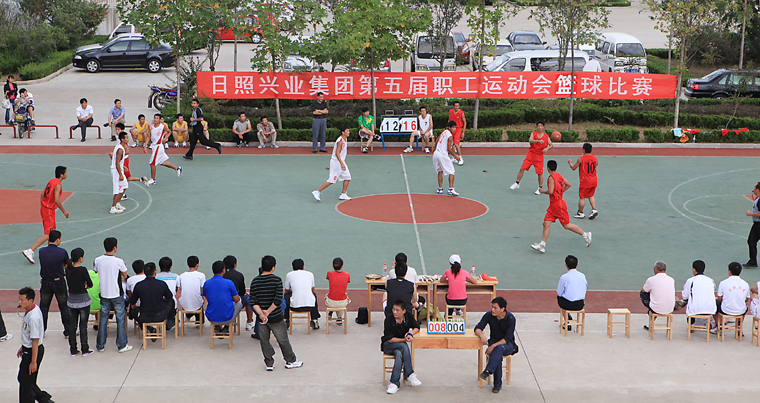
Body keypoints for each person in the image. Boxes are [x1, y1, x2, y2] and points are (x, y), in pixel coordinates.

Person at [250, 255, 303, 371]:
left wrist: (261, 314)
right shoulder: (277, 280)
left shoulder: (255, 281)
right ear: (273, 267)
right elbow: (278, 300)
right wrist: (268, 312)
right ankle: (290, 360)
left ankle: (269, 362)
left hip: (261, 318)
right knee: (282, 339)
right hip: (276, 316)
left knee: (264, 341)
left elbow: (253, 301)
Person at [531, 160, 592, 253]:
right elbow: (568, 184)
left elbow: (550, 191)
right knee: (546, 223)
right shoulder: (559, 176)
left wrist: (542, 191)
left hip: (558, 205)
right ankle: (542, 245)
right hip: (553, 205)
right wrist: (560, 192)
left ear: (548, 168)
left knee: (566, 225)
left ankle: (585, 234)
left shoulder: (551, 177)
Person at [23, 166, 70, 264]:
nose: (67, 174)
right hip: (49, 210)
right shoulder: (58, 185)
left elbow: (42, 194)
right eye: (65, 172)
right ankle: (30, 250)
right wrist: (64, 211)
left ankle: (50, 253)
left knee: (52, 232)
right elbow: (56, 200)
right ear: (62, 175)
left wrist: (43, 206)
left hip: (45, 208)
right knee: (48, 234)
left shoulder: (51, 181)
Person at [94, 237, 132, 353]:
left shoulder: (98, 260)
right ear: (115, 247)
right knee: (120, 319)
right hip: (116, 293)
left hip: (104, 293)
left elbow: (96, 270)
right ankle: (121, 345)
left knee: (103, 319)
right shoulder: (118, 261)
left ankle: (100, 345)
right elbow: (124, 274)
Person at [17, 287, 53, 403]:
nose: (19, 302)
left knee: (26, 383)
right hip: (28, 349)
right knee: (26, 379)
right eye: (19, 299)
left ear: (30, 300)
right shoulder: (33, 309)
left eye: (22, 300)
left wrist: (33, 361)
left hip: (33, 351)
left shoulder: (33, 318)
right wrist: (23, 346)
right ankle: (44, 399)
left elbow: (35, 341)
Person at [475, 297, 517, 394]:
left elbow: (507, 338)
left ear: (502, 309)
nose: (492, 309)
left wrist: (492, 346)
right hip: (494, 342)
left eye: (495, 308)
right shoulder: (489, 315)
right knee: (497, 354)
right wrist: (482, 336)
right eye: (492, 307)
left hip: (508, 344)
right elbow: (477, 328)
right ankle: (496, 384)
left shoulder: (511, 318)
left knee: (498, 349)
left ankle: (488, 371)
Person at [381, 300, 422, 394]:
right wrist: (404, 340)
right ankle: (409, 374)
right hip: (388, 345)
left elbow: (417, 327)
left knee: (399, 354)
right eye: (393, 309)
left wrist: (410, 334)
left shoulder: (408, 316)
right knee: (403, 346)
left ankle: (394, 383)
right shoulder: (389, 319)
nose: (394, 312)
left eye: (397, 310)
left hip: (399, 347)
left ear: (404, 311)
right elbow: (390, 339)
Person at [36, 229, 71, 337]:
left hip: (45, 283)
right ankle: (68, 331)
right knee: (64, 307)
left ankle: (41, 331)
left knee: (44, 308)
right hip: (59, 282)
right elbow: (66, 264)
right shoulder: (62, 252)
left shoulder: (41, 251)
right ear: (58, 239)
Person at [129, 262, 175, 336]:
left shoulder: (139, 285)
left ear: (144, 271)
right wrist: (162, 299)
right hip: (160, 316)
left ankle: (149, 327)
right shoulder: (162, 284)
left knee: (133, 311)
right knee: (171, 301)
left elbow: (132, 302)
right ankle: (169, 322)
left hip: (144, 317)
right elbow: (169, 297)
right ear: (155, 272)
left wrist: (134, 306)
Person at [510, 121, 554, 194]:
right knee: (522, 169)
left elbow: (551, 145)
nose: (539, 127)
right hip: (530, 155)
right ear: (536, 127)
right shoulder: (533, 134)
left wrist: (547, 148)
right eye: (538, 126)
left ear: (543, 127)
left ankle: (540, 188)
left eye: (541, 126)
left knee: (540, 173)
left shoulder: (546, 137)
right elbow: (530, 140)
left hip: (539, 156)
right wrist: (538, 141)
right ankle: (517, 183)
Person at [65, 247, 93, 356]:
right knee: (83, 326)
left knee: (73, 325)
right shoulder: (83, 270)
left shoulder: (67, 270)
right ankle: (85, 349)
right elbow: (90, 284)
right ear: (81, 258)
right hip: (83, 301)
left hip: (72, 300)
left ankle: (73, 349)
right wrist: (85, 285)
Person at [312, 125, 352, 202]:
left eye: (348, 131)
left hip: (341, 161)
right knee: (331, 180)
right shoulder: (340, 141)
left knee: (347, 177)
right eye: (347, 131)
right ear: (343, 132)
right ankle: (317, 191)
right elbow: (337, 153)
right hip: (336, 163)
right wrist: (341, 163)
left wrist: (343, 161)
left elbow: (342, 153)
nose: (348, 132)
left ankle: (343, 194)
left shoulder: (345, 139)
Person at [203, 261, 242, 335]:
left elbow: (205, 297)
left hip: (212, 318)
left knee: (209, 303)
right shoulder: (229, 283)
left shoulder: (207, 283)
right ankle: (227, 327)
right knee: (239, 304)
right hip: (227, 318)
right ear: (223, 270)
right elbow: (237, 299)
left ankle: (217, 326)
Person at [222, 255, 257, 335]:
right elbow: (242, 292)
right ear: (235, 265)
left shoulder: (221, 276)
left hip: (222, 302)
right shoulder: (239, 275)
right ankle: (249, 323)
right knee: (248, 298)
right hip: (235, 301)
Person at [143, 114, 182, 186]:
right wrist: (145, 146)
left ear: (160, 119)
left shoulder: (162, 126)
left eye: (157, 118)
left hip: (158, 146)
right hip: (154, 146)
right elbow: (149, 136)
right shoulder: (151, 126)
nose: (155, 119)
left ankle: (153, 179)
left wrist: (165, 138)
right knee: (162, 162)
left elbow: (169, 131)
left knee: (152, 163)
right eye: (155, 118)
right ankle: (177, 168)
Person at [713, 262, 750, 334]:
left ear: (729, 271)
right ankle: (739, 326)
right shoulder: (745, 284)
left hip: (725, 310)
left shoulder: (723, 283)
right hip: (740, 311)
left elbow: (720, 299)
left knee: (714, 304)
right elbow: (747, 299)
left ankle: (719, 326)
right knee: (745, 307)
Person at [284, 258, 321, 330]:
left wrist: (294, 290)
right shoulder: (310, 274)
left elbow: (287, 291)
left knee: (285, 296)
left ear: (293, 268)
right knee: (313, 294)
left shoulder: (289, 275)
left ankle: (286, 320)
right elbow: (312, 290)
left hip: (295, 307)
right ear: (303, 267)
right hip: (310, 306)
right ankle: (314, 320)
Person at [641, 261, 677, 330]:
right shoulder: (671, 280)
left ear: (655, 269)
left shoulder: (651, 279)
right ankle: (650, 323)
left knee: (644, 294)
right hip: (670, 308)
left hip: (656, 308)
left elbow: (643, 291)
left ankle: (650, 315)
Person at [567, 143, 599, 219]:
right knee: (591, 195)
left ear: (583, 150)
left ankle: (581, 213)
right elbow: (596, 164)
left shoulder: (581, 159)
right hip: (594, 180)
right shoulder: (595, 158)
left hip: (585, 181)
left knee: (582, 197)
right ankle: (594, 210)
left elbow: (574, 168)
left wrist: (570, 163)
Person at [681, 260, 717, 324]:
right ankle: (717, 324)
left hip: (694, 310)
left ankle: (691, 323)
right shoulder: (711, 280)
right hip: (710, 310)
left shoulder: (690, 281)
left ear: (693, 269)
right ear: (704, 269)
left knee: (690, 301)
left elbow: (685, 297)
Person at [556, 255, 587, 328]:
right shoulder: (582, 276)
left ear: (566, 265)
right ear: (577, 265)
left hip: (567, 304)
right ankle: (568, 318)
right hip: (580, 304)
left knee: (560, 298)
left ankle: (567, 321)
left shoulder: (564, 277)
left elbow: (559, 292)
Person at [433, 121, 461, 196]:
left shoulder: (444, 132)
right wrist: (455, 156)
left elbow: (437, 140)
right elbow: (449, 149)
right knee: (451, 171)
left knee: (440, 171)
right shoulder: (450, 136)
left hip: (436, 153)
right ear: (449, 128)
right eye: (453, 127)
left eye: (455, 127)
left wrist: (435, 150)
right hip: (442, 155)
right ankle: (450, 189)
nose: (454, 129)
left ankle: (440, 188)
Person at [177, 255, 206, 326]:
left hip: (184, 303)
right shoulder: (201, 275)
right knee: (199, 300)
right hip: (197, 303)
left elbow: (180, 289)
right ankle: (199, 322)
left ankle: (188, 315)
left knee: (190, 300)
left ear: (187, 264)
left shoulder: (181, 276)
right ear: (197, 265)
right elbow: (202, 291)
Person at [325, 257, 351, 322]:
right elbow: (348, 281)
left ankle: (331, 311)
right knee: (343, 295)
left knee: (327, 296)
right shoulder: (347, 275)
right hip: (342, 303)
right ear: (342, 266)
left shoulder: (329, 273)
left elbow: (328, 278)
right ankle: (339, 317)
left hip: (331, 303)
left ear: (332, 266)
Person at [110, 132, 129, 214]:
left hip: (119, 169)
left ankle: (118, 203)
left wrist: (122, 166)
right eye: (126, 138)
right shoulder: (120, 150)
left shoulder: (120, 147)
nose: (128, 139)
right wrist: (120, 174)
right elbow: (117, 162)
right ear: (122, 139)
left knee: (125, 186)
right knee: (117, 189)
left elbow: (118, 161)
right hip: (116, 171)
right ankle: (113, 207)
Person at [744, 182, 760, 268]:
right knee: (751, 241)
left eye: (754, 187)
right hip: (756, 225)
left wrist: (750, 214)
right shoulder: (758, 199)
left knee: (752, 241)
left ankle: (753, 261)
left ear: (757, 190)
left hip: (758, 225)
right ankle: (752, 261)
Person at [448, 101, 466, 165]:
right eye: (455, 106)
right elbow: (449, 120)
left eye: (458, 106)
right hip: (452, 129)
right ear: (453, 106)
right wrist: (448, 127)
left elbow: (465, 122)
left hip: (458, 129)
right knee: (452, 144)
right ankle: (454, 157)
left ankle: (460, 158)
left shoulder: (461, 113)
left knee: (456, 144)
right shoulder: (450, 111)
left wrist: (463, 132)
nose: (456, 107)